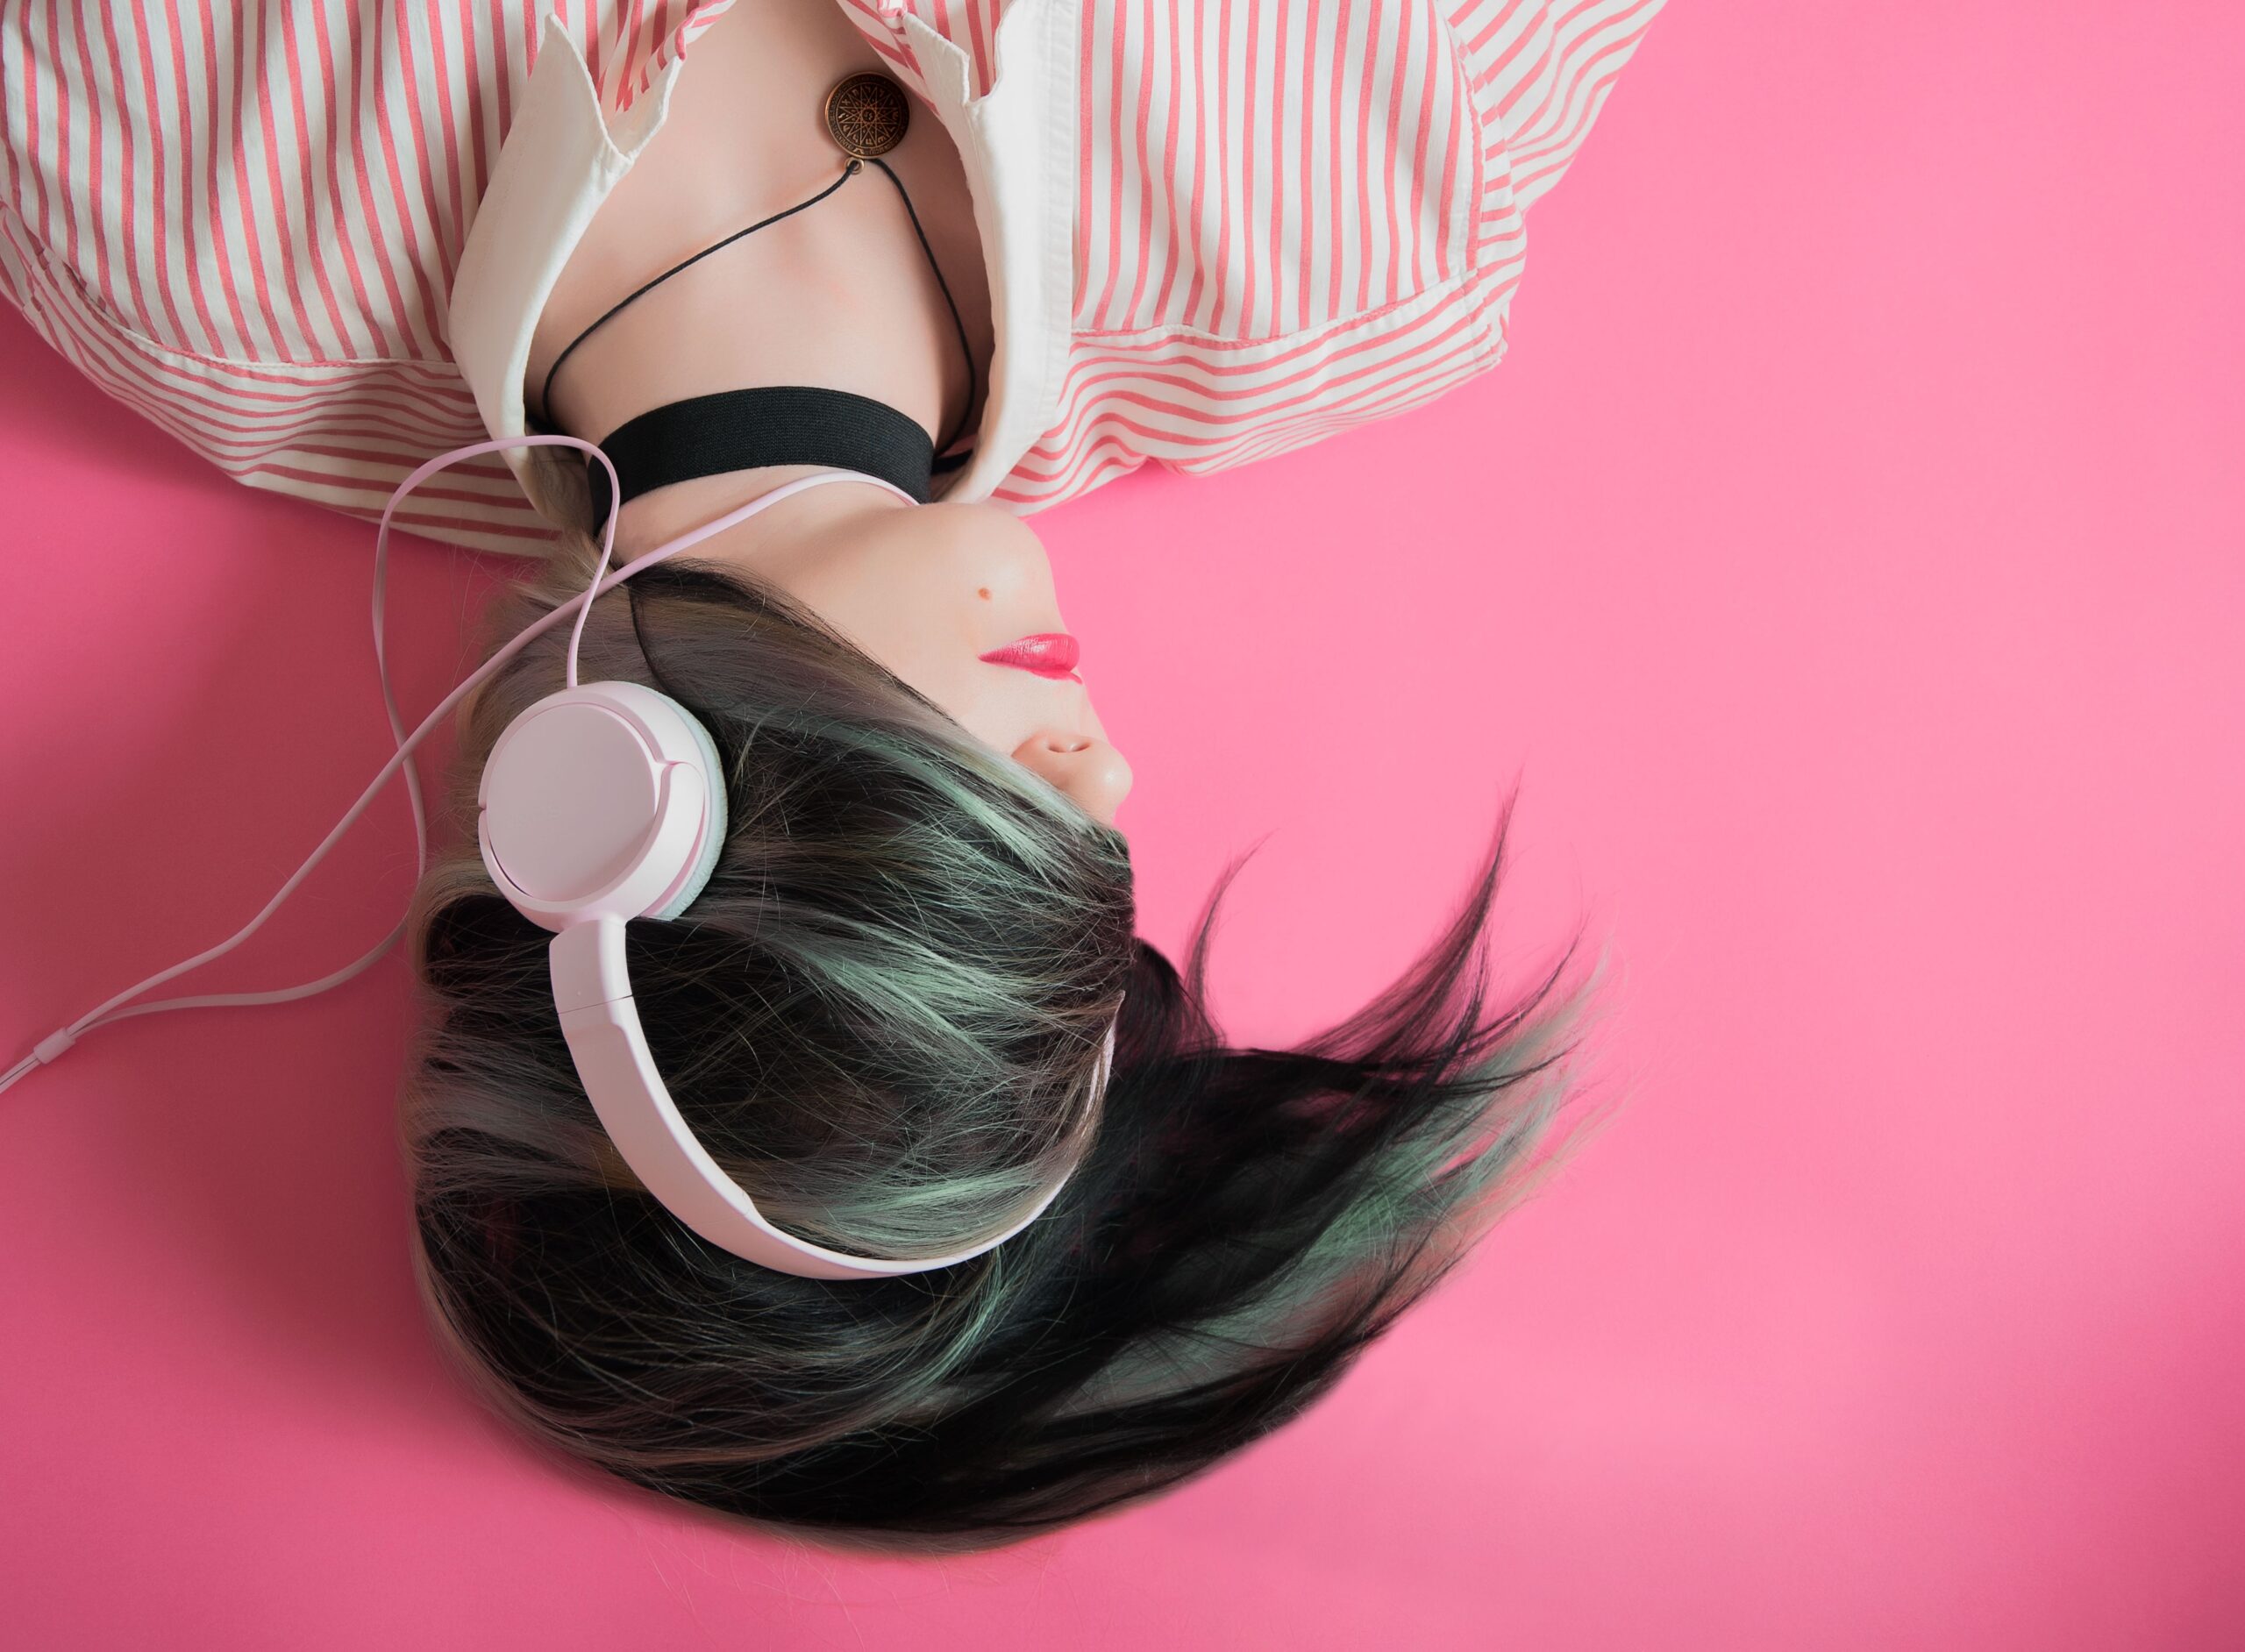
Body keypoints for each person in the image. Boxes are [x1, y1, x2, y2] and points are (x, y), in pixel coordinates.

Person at [1, 0, 1662, 1547]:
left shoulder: (176, 226)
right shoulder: (1367, 218)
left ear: (620, 806)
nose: (1110, 776)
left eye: (994, 861)